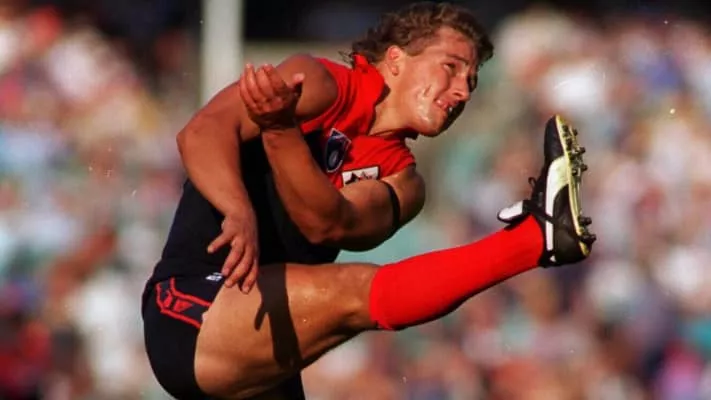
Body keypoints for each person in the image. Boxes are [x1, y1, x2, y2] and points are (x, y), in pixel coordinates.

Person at [141, 2, 596, 399]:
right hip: (192, 307)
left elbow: (326, 222)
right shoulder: (320, 83)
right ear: (395, 58)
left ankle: (538, 237)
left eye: (472, 82)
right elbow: (201, 132)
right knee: (356, 290)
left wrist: (280, 133)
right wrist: (237, 210)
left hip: (263, 336)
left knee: (358, 294)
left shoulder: (406, 183)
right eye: (451, 67)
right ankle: (533, 240)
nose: (462, 91)